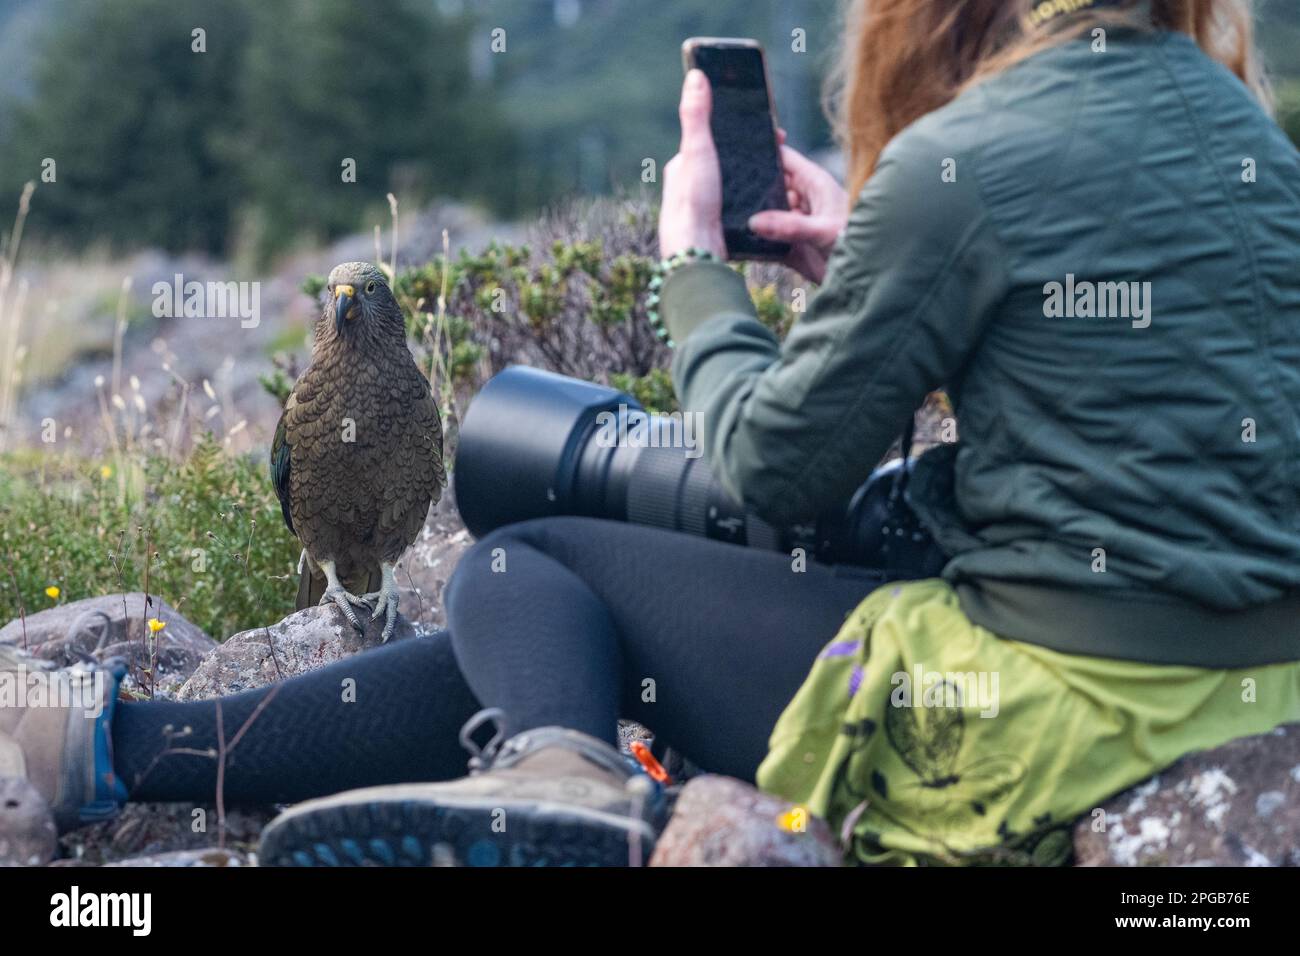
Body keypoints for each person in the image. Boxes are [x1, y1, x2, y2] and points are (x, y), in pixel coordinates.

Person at [3, 0, 1299, 867]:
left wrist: (693, 270)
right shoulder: (1255, 141)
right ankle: (135, 747)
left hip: (1051, 711)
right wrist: (876, 270)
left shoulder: (972, 154)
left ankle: (561, 789)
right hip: (1248, 677)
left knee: (531, 571)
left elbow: (772, 470)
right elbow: (1131, 408)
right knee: (553, 657)